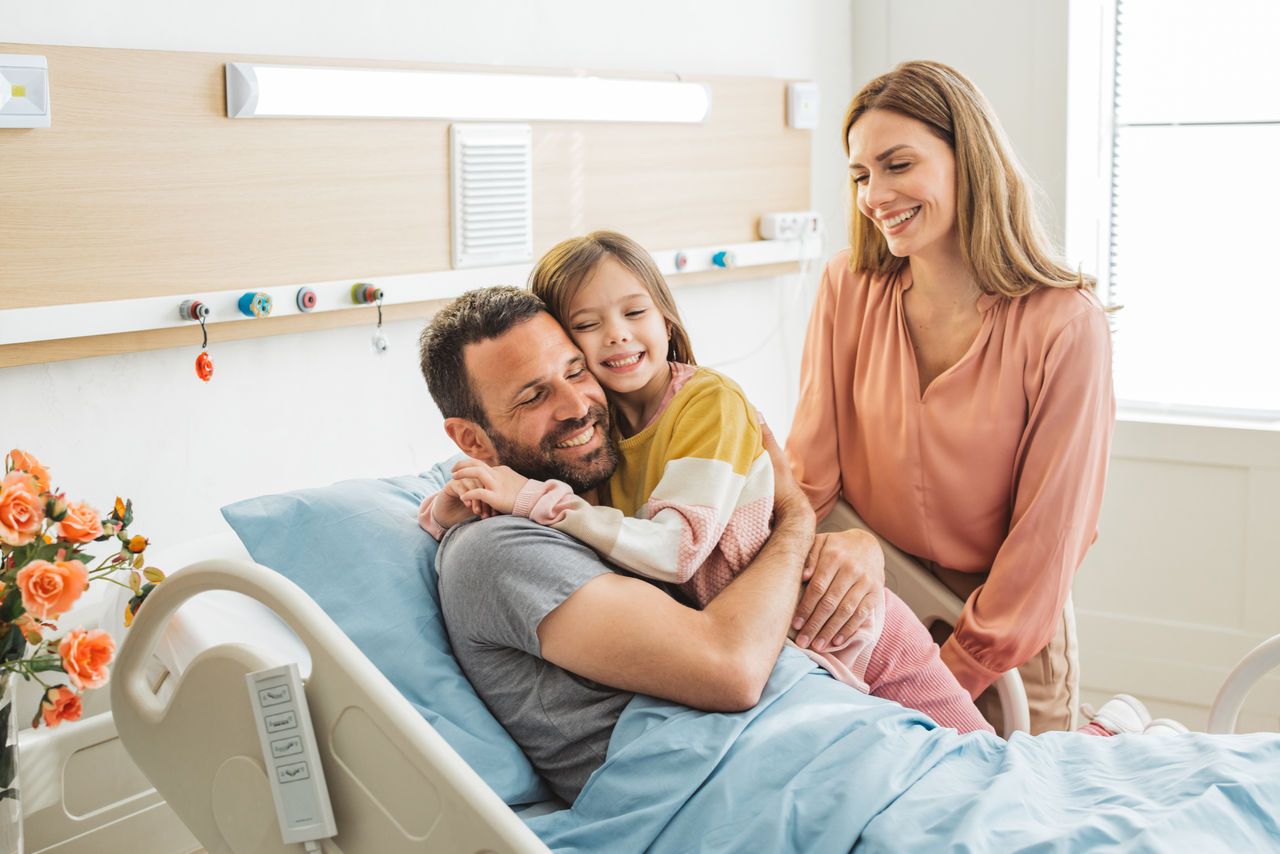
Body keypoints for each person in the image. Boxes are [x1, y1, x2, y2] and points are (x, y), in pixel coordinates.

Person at [421, 232, 991, 732]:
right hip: (797, 651)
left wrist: (801, 518)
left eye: (633, 313)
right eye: (587, 327)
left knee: (993, 784)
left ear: (665, 317)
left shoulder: (705, 404)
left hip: (855, 631)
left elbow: (675, 551)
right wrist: (451, 510)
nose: (616, 339)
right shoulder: (602, 438)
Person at [785, 60, 1121, 734]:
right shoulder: (847, 288)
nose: (875, 194)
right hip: (872, 614)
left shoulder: (1063, 323)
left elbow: (1046, 542)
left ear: (966, 159)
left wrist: (945, 673)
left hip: (1008, 643)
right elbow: (808, 480)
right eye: (860, 175)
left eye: (897, 164)